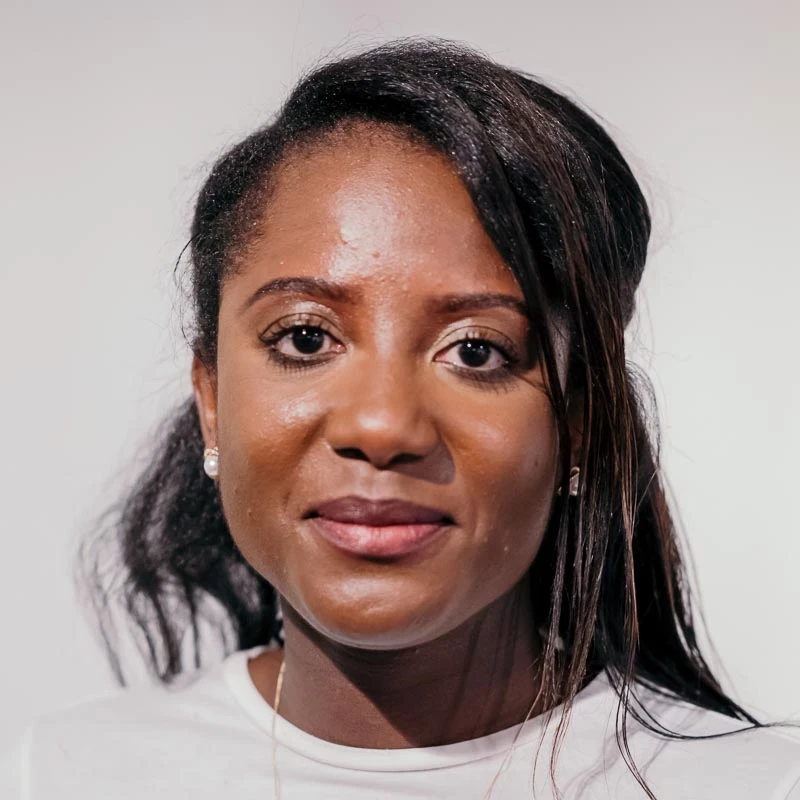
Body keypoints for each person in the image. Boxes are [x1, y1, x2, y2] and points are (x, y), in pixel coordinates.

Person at [2, 38, 798, 800]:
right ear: (210, 399)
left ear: (580, 420)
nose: (382, 427)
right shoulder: (56, 777)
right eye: (306, 338)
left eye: (478, 351)